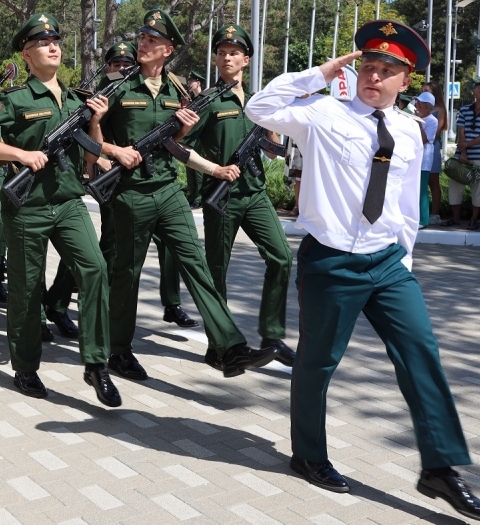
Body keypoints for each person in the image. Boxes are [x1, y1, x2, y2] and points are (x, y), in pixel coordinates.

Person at [246, 19, 480, 521]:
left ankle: (439, 467)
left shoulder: (410, 130)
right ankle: (308, 453)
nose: (374, 76)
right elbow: (257, 107)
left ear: (405, 79)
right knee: (318, 362)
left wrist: (406, 260)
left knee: (423, 355)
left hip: (388, 264)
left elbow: (403, 208)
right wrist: (320, 72)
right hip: (331, 262)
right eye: (368, 66)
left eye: (387, 70)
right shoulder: (321, 114)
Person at [97, 10, 279, 381]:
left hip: (168, 190)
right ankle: (117, 350)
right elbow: (92, 142)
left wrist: (181, 133)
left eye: (151, 41)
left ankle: (229, 348)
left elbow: (172, 145)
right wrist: (114, 151)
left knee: (197, 265)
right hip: (131, 193)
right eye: (142, 39)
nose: (142, 44)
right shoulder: (117, 85)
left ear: (167, 49)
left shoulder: (178, 91)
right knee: (127, 274)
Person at [0, 13, 121, 407]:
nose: (52, 46)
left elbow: (91, 154)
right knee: (25, 287)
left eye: (56, 41)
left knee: (95, 268)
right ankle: (26, 366)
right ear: (27, 53)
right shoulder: (14, 98)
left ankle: (96, 364)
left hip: (68, 202)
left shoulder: (76, 102)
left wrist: (98, 121)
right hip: (26, 207)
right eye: (42, 42)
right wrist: (21, 153)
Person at [188, 24, 294, 369]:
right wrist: (214, 171)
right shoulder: (207, 101)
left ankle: (272, 335)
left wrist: (271, 120)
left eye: (233, 52)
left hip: (256, 193)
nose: (226, 57)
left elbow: (275, 153)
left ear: (246, 59)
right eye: (221, 52)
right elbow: (181, 147)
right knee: (216, 271)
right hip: (223, 197)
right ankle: (219, 345)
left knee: (281, 257)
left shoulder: (257, 102)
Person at [95, 41, 198, 329]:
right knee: (112, 251)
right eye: (117, 64)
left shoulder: (172, 87)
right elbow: (92, 134)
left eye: (127, 63)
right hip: (120, 184)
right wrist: (107, 157)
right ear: (109, 67)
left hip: (160, 184)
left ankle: (172, 303)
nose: (123, 67)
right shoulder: (112, 88)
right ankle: (79, 302)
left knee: (171, 248)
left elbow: (177, 139)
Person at [442, 82, 480, 230]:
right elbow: (461, 131)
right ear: (475, 93)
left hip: (478, 156)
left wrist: (466, 145)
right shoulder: (464, 110)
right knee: (455, 185)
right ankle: (455, 218)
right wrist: (463, 151)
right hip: (462, 154)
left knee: (478, 188)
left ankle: (474, 219)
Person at [422, 81, 448, 225]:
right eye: (423, 90)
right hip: (420, 147)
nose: (424, 93)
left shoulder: (440, 109)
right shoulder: (419, 107)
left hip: (432, 147)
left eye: (427, 90)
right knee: (421, 182)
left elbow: (436, 131)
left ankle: (435, 213)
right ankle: (421, 211)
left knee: (433, 181)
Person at [415, 91, 437, 228]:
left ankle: (424, 220)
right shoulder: (416, 117)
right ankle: (416, 217)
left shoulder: (432, 121)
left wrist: (417, 123)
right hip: (415, 157)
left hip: (424, 160)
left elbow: (425, 139)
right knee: (415, 188)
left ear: (428, 106)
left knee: (422, 189)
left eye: (421, 103)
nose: (418, 105)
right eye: (418, 102)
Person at [185, 71, 205, 209]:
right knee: (189, 168)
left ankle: (199, 197)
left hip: (200, 139)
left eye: (191, 81)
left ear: (198, 83)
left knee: (199, 170)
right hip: (191, 138)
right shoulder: (190, 100)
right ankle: (192, 196)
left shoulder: (205, 98)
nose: (189, 84)